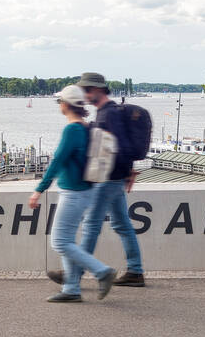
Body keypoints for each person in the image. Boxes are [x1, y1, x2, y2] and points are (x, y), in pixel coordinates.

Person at [46, 72, 145, 287]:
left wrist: (126, 171)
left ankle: (74, 275)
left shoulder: (107, 115)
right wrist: (128, 170)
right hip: (116, 178)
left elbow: (117, 147)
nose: (85, 95)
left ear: (98, 90)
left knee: (91, 225)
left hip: (108, 179)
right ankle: (135, 271)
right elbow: (119, 145)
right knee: (122, 224)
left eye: (87, 90)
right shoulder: (107, 114)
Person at [29, 84, 117, 303]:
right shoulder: (86, 128)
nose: (59, 105)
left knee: (59, 242)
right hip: (85, 191)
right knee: (67, 241)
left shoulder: (72, 130)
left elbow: (57, 161)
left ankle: (101, 271)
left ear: (66, 105)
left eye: (60, 101)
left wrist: (39, 190)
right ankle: (71, 289)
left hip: (73, 193)